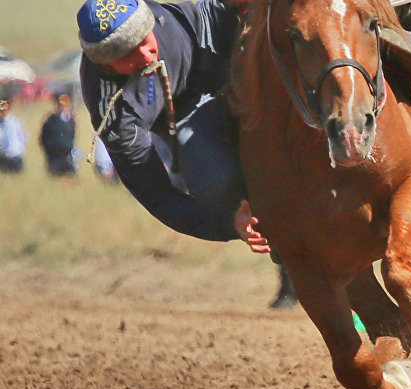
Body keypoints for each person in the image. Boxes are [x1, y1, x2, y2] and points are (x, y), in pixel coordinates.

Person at [78, 0, 268, 254]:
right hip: (184, 110)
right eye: (128, 55)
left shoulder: (144, 14)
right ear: (104, 62)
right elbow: (157, 196)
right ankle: (289, 251)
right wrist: (229, 225)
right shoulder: (116, 117)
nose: (147, 57)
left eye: (145, 40)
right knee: (217, 184)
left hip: (206, 31)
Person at [40, 93, 78, 178]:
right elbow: (43, 138)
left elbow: (72, 136)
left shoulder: (71, 121)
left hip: (68, 157)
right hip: (54, 157)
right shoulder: (50, 120)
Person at [0, 99, 26, 174]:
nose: (3, 112)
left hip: (16, 155)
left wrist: (21, 148)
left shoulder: (15, 121)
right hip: (3, 157)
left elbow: (22, 136)